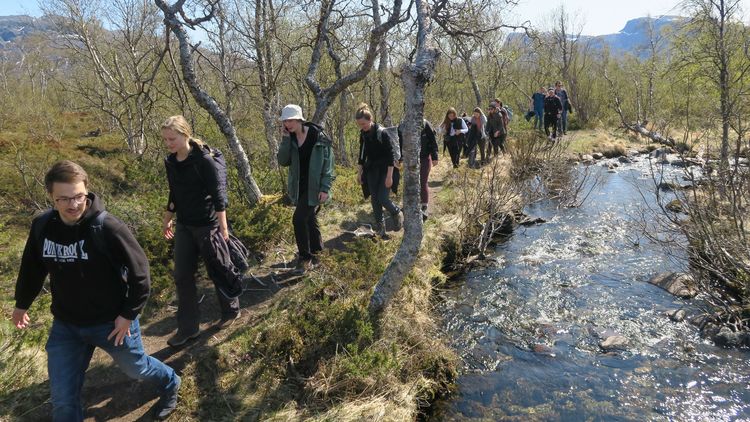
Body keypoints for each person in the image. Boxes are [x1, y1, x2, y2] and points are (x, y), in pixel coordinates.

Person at [13, 160, 180, 421]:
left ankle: (170, 382)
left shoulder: (107, 227)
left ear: (87, 191)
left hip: (111, 322)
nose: (73, 205)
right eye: (64, 199)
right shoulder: (43, 226)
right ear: (51, 197)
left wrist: (128, 315)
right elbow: (32, 268)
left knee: (137, 369)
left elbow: (140, 273)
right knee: (63, 401)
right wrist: (22, 304)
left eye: (78, 196)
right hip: (66, 325)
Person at [161, 115, 240, 348]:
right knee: (182, 276)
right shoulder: (171, 161)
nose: (169, 144)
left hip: (208, 224)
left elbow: (218, 196)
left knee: (218, 268)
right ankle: (188, 328)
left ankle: (230, 311)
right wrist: (168, 218)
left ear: (185, 135)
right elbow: (174, 192)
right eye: (165, 140)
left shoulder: (203, 160)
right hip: (185, 224)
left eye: (172, 139)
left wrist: (223, 229)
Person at [277, 104, 335, 274]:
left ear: (300, 119)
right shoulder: (291, 138)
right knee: (309, 219)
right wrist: (285, 139)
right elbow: (283, 161)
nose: (287, 124)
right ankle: (318, 254)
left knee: (298, 219)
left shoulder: (319, 137)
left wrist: (325, 188)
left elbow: (328, 166)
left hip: (315, 187)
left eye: (291, 120)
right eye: (285, 121)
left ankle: (305, 258)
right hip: (299, 187)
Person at [356, 103, 403, 238]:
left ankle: (396, 212)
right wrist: (359, 173)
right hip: (371, 170)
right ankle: (380, 229)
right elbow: (361, 155)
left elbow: (390, 156)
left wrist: (389, 177)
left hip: (386, 170)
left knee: (383, 198)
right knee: (375, 200)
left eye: (364, 124)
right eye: (360, 125)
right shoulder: (363, 135)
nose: (362, 127)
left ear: (370, 120)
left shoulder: (382, 133)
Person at [397, 118, 439, 220]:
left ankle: (424, 207)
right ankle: (411, 205)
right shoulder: (402, 125)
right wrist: (400, 158)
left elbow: (433, 140)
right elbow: (399, 143)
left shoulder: (425, 124)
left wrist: (435, 157)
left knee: (423, 181)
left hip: (424, 157)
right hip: (409, 159)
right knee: (410, 182)